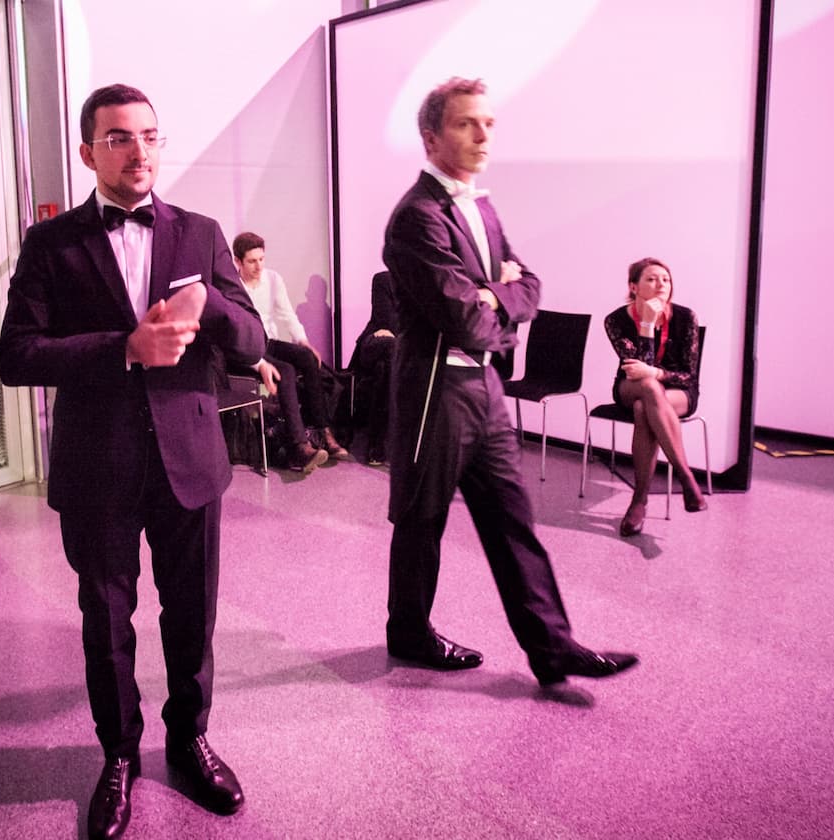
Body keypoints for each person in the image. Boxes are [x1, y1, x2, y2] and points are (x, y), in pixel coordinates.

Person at [0, 83, 265, 840]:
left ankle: (190, 739)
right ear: (89, 152)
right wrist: (123, 349)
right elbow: (16, 355)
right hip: (98, 464)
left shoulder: (201, 232)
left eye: (149, 135)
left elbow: (252, 340)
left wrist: (208, 305)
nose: (139, 150)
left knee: (193, 616)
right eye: (119, 138)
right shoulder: (51, 244)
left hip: (190, 459)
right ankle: (118, 757)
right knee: (107, 620)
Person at [381, 77, 638, 689]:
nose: (483, 134)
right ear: (431, 136)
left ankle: (553, 649)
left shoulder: (482, 206)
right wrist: (501, 294)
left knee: (513, 520)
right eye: (468, 123)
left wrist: (495, 296)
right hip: (435, 394)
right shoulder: (416, 218)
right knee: (422, 519)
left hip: (486, 391)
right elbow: (464, 315)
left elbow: (533, 288)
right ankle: (410, 633)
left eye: (488, 123)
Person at [605, 257, 706, 536]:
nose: (662, 284)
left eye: (666, 279)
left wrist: (656, 373)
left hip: (678, 392)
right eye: (651, 278)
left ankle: (639, 501)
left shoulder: (686, 318)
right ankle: (686, 477)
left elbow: (688, 375)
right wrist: (647, 325)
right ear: (633, 287)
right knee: (646, 390)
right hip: (630, 387)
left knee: (644, 407)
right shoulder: (616, 320)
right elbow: (635, 372)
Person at [233, 231, 342, 471]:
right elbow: (234, 333)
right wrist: (256, 361)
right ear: (238, 261)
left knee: (308, 358)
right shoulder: (232, 286)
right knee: (286, 371)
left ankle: (323, 430)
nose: (259, 265)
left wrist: (303, 341)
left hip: (269, 340)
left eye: (261, 259)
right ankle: (299, 447)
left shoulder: (272, 279)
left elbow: (286, 314)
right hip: (246, 348)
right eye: (252, 261)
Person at [351, 270, 399, 466]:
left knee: (385, 367)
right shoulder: (383, 279)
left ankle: (377, 441)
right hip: (375, 343)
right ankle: (383, 443)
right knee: (390, 347)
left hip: (399, 350)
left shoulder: (426, 283)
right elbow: (384, 320)